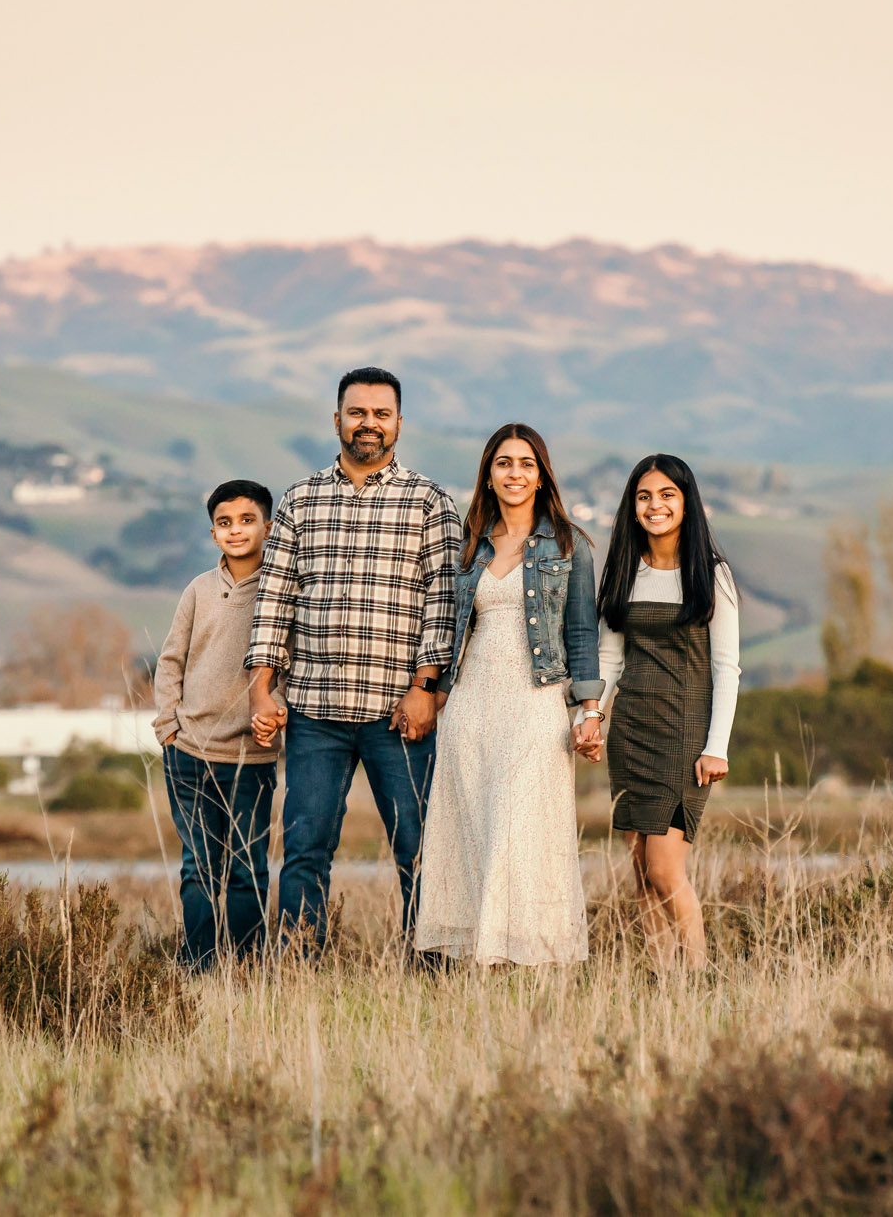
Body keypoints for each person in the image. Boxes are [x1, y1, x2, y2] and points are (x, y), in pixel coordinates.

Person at [244, 366, 461, 950]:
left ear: (399, 424)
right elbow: (275, 602)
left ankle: (432, 971)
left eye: (381, 414)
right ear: (336, 419)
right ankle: (295, 969)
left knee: (418, 847)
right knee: (304, 848)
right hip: (315, 711)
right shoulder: (299, 500)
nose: (369, 424)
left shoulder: (432, 504)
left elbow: (444, 606)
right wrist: (262, 690)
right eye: (358, 412)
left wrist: (426, 688)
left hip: (400, 715)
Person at [413, 423, 603, 968]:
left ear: (541, 475)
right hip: (471, 705)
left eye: (525, 463)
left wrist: (589, 711)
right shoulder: (469, 547)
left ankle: (533, 959)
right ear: (489, 475)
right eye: (503, 463)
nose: (514, 473)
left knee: (520, 831)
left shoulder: (570, 546)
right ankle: (483, 958)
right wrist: (432, 691)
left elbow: (582, 634)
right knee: (472, 829)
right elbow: (450, 629)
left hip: (534, 703)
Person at [588, 454, 740, 969]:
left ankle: (697, 981)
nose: (656, 506)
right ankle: (663, 983)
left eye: (667, 495)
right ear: (633, 508)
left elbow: (728, 668)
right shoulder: (624, 573)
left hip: (686, 740)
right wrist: (591, 716)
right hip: (631, 735)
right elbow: (609, 658)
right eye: (645, 496)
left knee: (664, 870)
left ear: (686, 502)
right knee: (640, 873)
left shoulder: (711, 576)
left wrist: (716, 747)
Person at [152, 479, 278, 970]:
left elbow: (287, 662)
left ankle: (246, 966)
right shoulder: (199, 589)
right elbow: (170, 661)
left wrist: (276, 712)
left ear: (268, 527)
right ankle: (200, 966)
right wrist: (168, 728)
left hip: (251, 756)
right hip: (188, 754)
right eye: (225, 523)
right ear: (212, 534)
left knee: (248, 869)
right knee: (199, 867)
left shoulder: (279, 590)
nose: (236, 531)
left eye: (247, 521)